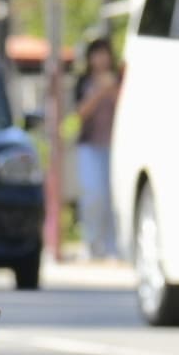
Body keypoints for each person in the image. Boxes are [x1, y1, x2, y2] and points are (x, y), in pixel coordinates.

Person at [73, 38, 120, 262]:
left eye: (104, 53)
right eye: (96, 54)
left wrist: (111, 89)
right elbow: (79, 114)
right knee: (93, 194)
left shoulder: (119, 80)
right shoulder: (83, 82)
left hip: (116, 146)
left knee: (114, 196)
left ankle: (114, 245)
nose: (100, 59)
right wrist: (99, 92)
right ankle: (91, 242)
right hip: (90, 145)